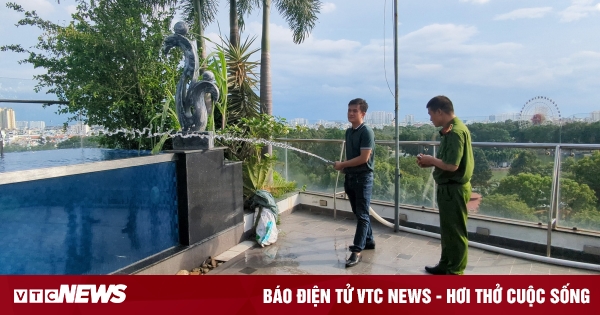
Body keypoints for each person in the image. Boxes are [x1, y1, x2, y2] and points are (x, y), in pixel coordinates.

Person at [417, 95, 474, 275]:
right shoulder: (450, 130)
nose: (430, 118)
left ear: (440, 112)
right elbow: (447, 161)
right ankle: (446, 263)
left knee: (456, 231)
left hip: (454, 189)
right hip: (448, 187)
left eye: (431, 114)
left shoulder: (456, 132)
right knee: (448, 230)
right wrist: (431, 162)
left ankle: (455, 271)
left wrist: (432, 159)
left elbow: (452, 165)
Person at [334, 98, 376, 268]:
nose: (351, 113)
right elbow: (352, 157)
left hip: (363, 179)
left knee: (362, 215)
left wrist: (342, 164)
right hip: (350, 177)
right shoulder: (349, 132)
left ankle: (357, 251)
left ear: (363, 114)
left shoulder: (367, 132)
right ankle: (370, 241)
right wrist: (345, 167)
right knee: (360, 213)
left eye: (354, 111)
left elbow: (364, 158)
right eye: (349, 110)